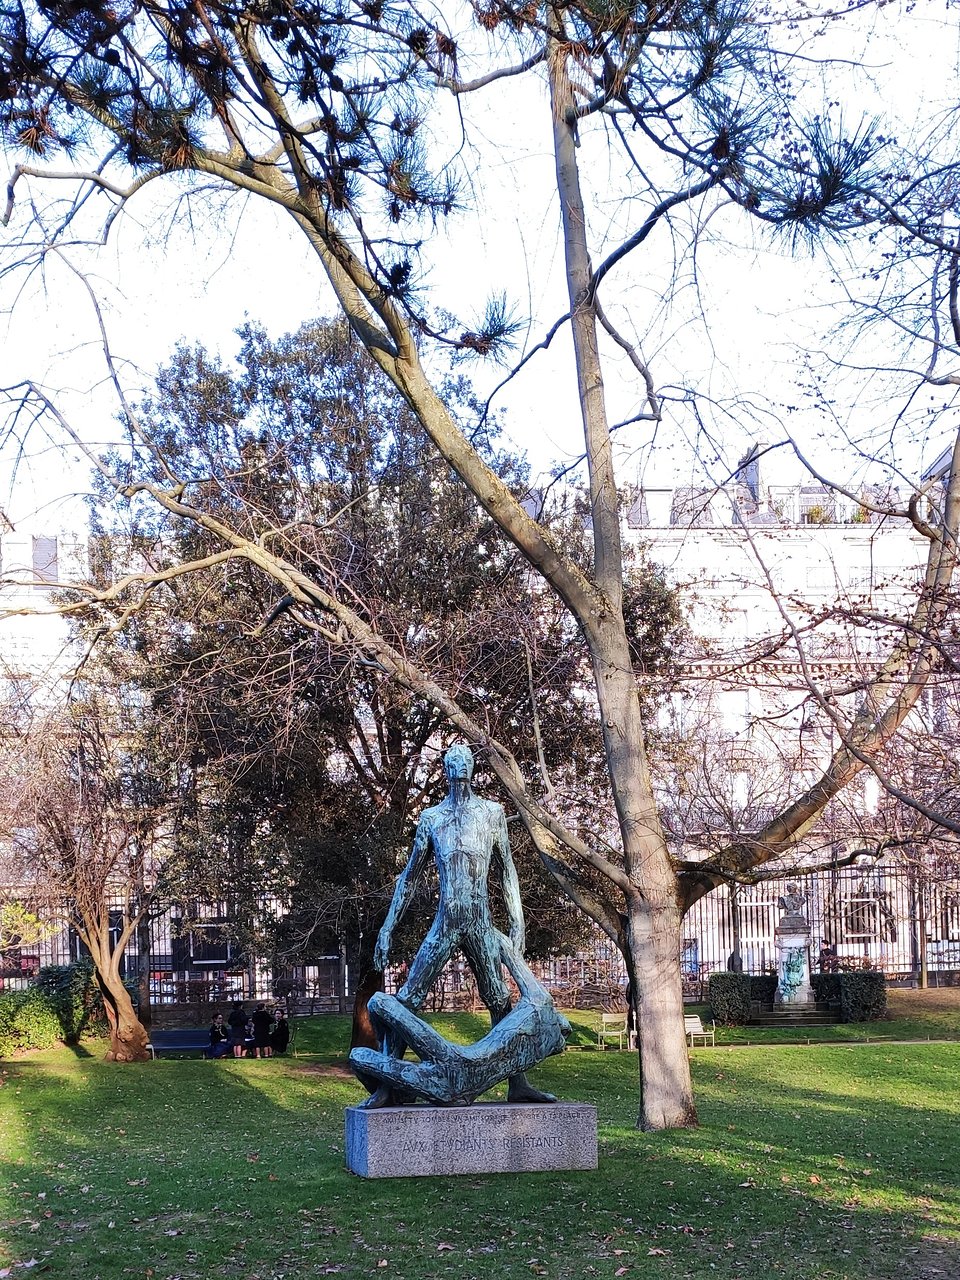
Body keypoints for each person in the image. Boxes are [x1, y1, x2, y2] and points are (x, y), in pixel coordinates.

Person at [364, 742, 555, 1108]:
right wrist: (388, 927)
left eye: (464, 768)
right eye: (453, 768)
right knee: (408, 997)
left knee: (499, 999)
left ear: (471, 771)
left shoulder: (491, 813)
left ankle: (518, 1082)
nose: (459, 774)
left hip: (480, 923)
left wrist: (517, 921)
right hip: (446, 923)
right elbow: (409, 878)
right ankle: (387, 1083)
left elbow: (507, 870)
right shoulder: (431, 819)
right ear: (446, 772)